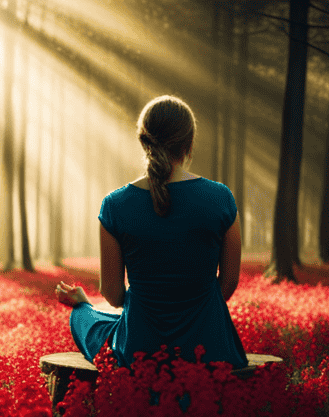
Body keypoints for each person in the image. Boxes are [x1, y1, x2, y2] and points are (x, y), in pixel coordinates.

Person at [55, 95, 248, 369]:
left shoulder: (115, 205)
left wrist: (88, 304)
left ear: (143, 141)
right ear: (189, 144)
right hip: (210, 346)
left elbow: (113, 294)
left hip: (140, 350)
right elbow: (227, 283)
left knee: (88, 318)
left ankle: (85, 307)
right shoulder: (221, 198)